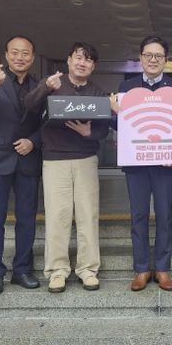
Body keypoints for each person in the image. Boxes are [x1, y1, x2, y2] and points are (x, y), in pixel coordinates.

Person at [24, 42, 109, 293]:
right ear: (69, 60)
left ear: (93, 66)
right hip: (54, 160)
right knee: (57, 216)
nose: (82, 63)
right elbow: (29, 106)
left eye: (88, 60)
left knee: (87, 215)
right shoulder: (53, 84)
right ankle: (57, 271)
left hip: (85, 159)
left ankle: (88, 270)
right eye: (78, 57)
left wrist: (88, 133)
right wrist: (44, 88)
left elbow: (104, 128)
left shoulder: (98, 93)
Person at [112, 35, 172, 292]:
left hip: (167, 166)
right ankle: (142, 269)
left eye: (158, 56)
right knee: (138, 216)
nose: (153, 60)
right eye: (148, 55)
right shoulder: (127, 87)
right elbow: (119, 127)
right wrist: (115, 114)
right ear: (141, 58)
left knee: (164, 216)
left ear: (166, 60)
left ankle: (162, 269)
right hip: (136, 164)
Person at [0, 35, 42, 295]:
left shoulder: (40, 85)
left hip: (28, 159)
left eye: (25, 53)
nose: (19, 57)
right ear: (6, 55)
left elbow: (47, 122)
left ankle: (22, 269)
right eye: (15, 52)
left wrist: (33, 141)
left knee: (27, 218)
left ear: (32, 58)